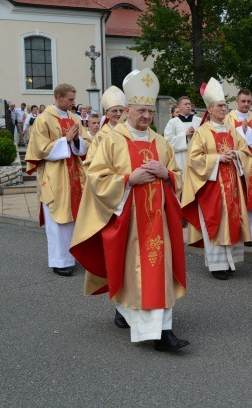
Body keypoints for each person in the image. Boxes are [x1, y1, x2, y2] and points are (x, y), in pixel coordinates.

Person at [70, 68, 188, 350]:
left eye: (150, 111)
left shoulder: (161, 143)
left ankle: (162, 329)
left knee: (158, 271)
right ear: (128, 110)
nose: (146, 116)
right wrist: (127, 180)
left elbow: (180, 178)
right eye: (141, 110)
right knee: (135, 272)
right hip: (129, 221)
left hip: (159, 221)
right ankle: (147, 326)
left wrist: (167, 174)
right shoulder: (111, 140)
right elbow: (95, 177)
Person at [181, 78, 252, 281]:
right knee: (217, 222)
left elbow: (245, 151)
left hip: (232, 186)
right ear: (210, 109)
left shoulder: (232, 130)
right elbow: (194, 159)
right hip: (212, 186)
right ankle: (217, 265)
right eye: (220, 106)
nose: (224, 109)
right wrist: (218, 158)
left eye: (225, 105)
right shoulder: (202, 132)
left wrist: (236, 155)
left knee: (232, 221)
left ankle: (230, 262)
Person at [25, 83, 88, 276]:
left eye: (74, 99)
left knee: (73, 218)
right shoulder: (43, 120)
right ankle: (59, 261)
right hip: (55, 175)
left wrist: (77, 141)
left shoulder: (74, 117)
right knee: (57, 220)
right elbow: (39, 149)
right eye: (70, 99)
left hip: (74, 174)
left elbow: (86, 143)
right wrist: (66, 139)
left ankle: (72, 256)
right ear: (59, 97)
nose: (73, 103)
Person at [225, 89, 252, 247]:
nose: (246, 104)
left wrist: (248, 132)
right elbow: (225, 138)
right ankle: (235, 232)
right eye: (243, 101)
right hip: (234, 163)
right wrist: (239, 131)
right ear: (237, 101)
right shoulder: (228, 118)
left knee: (251, 200)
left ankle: (249, 235)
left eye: (249, 102)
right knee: (236, 199)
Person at [84, 86, 127, 169]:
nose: (118, 114)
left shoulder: (130, 132)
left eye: (121, 111)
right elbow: (92, 160)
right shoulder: (100, 136)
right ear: (106, 114)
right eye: (114, 111)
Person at [163, 96, 201, 172]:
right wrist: (184, 135)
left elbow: (205, 138)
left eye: (189, 104)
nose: (188, 106)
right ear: (179, 107)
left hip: (196, 158)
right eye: (185, 104)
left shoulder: (199, 121)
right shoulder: (172, 122)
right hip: (180, 158)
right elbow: (167, 141)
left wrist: (196, 135)